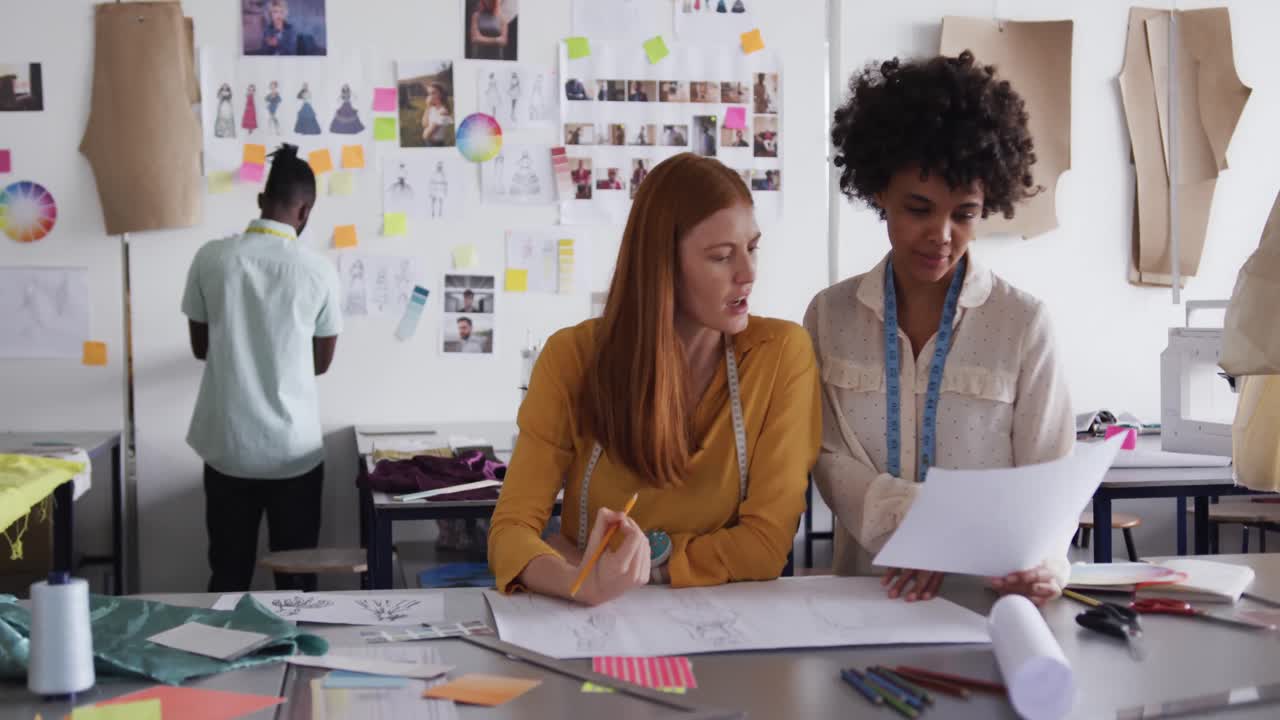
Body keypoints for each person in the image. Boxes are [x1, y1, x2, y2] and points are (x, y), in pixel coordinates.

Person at [488, 153, 820, 605]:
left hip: (725, 623)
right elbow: (510, 532)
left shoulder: (780, 355)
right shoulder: (573, 358)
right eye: (722, 256)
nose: (748, 273)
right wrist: (579, 583)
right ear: (662, 266)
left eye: (752, 248)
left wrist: (641, 565)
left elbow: (764, 547)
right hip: (594, 617)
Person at [805, 51, 1072, 606]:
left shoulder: (1023, 324)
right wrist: (913, 525)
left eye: (964, 214)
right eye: (919, 209)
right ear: (879, 192)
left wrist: (1046, 562)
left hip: (989, 605)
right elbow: (826, 456)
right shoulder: (829, 317)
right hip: (864, 603)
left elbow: (1052, 478)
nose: (942, 235)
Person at [181, 143, 341, 593]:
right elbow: (321, 363)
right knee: (297, 581)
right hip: (294, 450)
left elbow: (201, 348)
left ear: (260, 200)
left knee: (228, 574)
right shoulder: (318, 271)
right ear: (305, 211)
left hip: (228, 446)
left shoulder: (211, 258)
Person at [421, 81, 453, 146]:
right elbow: (424, 124)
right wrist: (428, 107)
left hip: (436, 144)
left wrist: (426, 131)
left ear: (441, 94)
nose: (430, 96)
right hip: (429, 142)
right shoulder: (432, 108)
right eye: (429, 94)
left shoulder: (443, 112)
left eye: (433, 93)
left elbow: (426, 135)